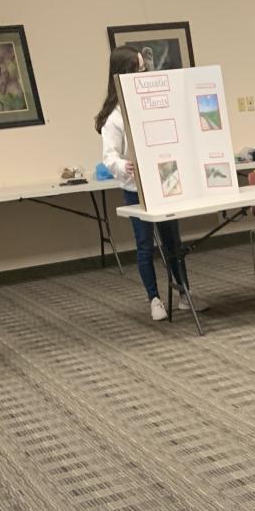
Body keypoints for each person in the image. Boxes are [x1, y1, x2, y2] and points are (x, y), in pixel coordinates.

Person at [94, 45, 206, 321]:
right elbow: (109, 157)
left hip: (165, 180)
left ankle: (183, 293)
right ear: (124, 73)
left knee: (173, 242)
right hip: (137, 188)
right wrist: (124, 166)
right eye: (139, 69)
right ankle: (154, 299)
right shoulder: (115, 116)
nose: (143, 74)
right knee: (145, 244)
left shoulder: (153, 103)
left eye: (144, 69)